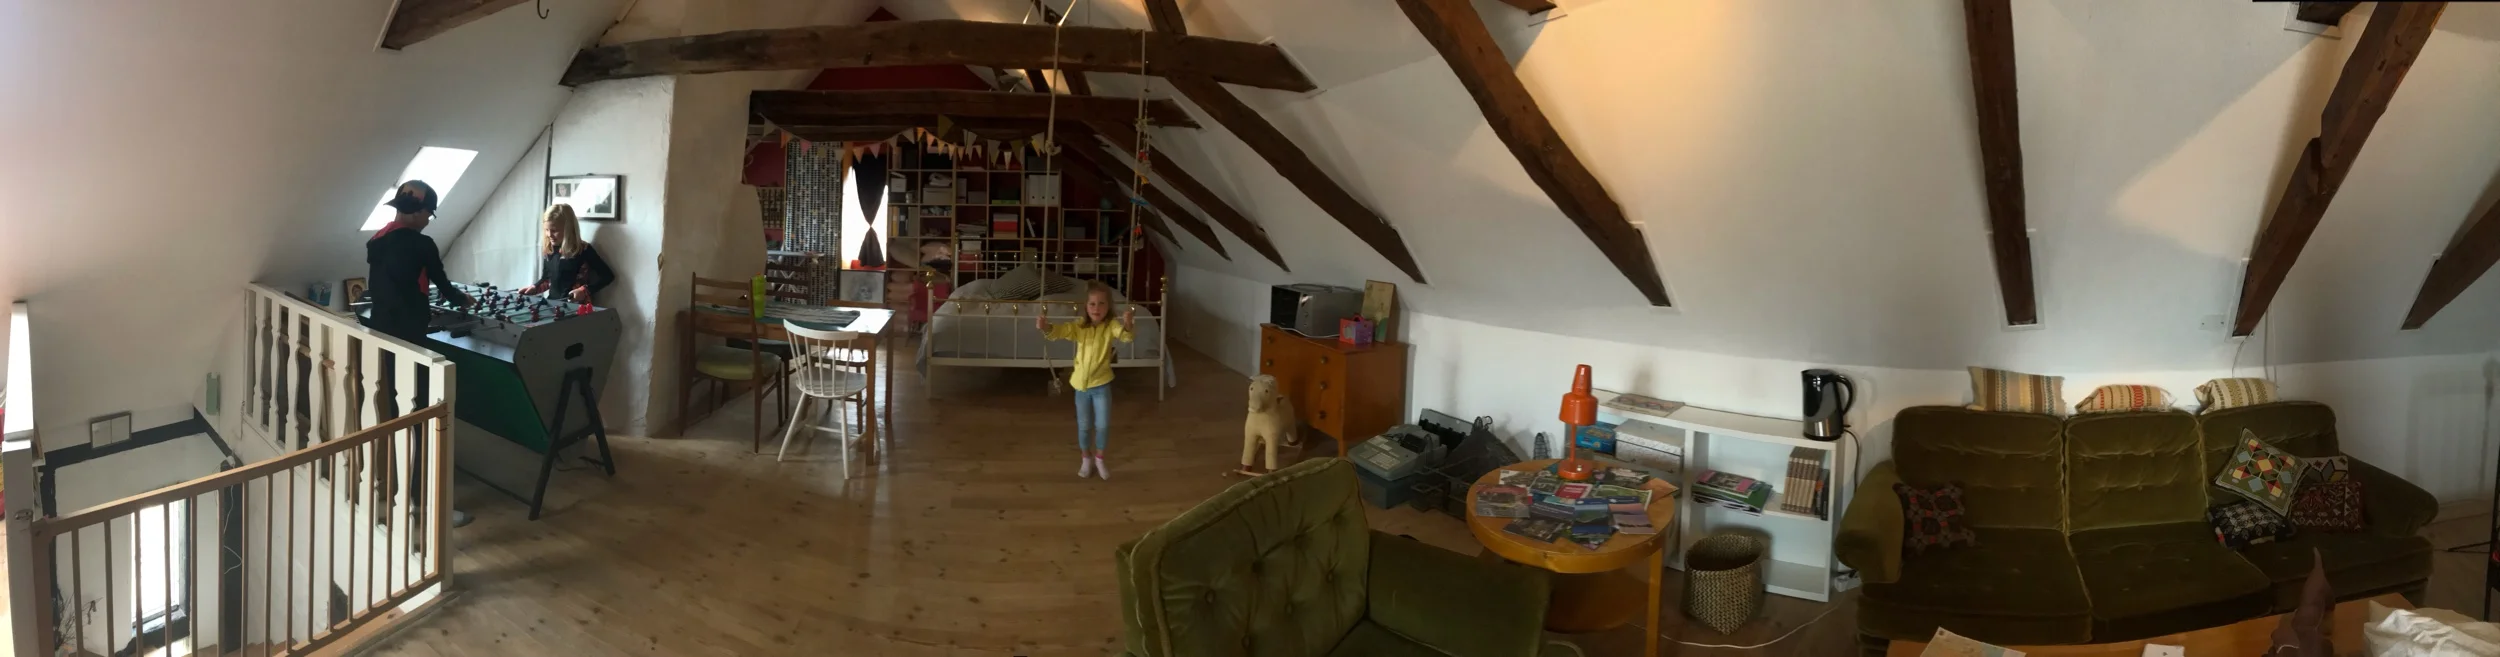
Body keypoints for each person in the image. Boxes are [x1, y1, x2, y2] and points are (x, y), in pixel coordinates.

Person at [364, 180, 477, 528]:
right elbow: (443, 286)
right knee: (426, 422)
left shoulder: (377, 240)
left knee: (400, 417)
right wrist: (465, 300)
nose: (429, 219)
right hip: (411, 341)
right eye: (429, 213)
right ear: (418, 212)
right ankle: (424, 504)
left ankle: (401, 497)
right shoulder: (422, 244)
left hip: (383, 340)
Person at [1037, 283, 1136, 479]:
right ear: (1086, 306)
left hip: (1101, 386)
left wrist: (1128, 324)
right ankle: (1086, 458)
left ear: (1108, 306)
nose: (1096, 308)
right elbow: (1061, 331)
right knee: (1084, 426)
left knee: (1103, 425)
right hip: (1081, 387)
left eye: (1101, 303)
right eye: (1092, 304)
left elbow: (1125, 337)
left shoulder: (1111, 326)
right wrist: (1046, 327)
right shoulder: (1079, 326)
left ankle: (1099, 458)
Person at [516, 204, 615, 303]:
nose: (549, 235)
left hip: (576, 306)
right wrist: (534, 287)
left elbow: (607, 276)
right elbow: (547, 279)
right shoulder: (549, 248)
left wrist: (584, 291)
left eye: (554, 231)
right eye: (546, 230)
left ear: (568, 229)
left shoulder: (584, 249)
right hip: (552, 303)